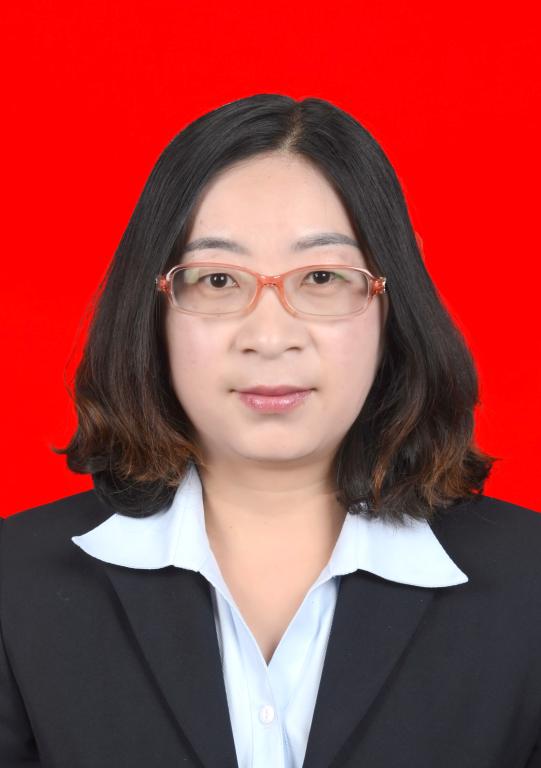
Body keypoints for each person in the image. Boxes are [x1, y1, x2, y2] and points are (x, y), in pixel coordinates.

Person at [1, 95, 540, 768]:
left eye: (321, 277)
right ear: (154, 308)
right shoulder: (13, 586)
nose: (269, 335)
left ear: (389, 304)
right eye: (217, 280)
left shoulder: (529, 583)